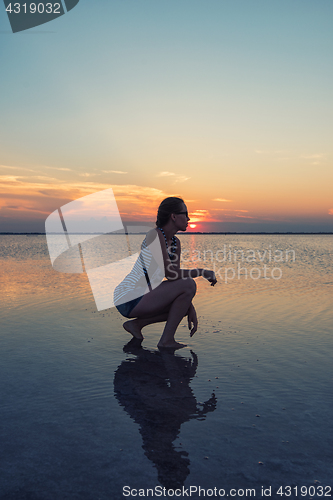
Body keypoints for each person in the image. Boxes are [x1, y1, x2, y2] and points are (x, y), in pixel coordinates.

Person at [114, 197, 217, 348]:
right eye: (185, 213)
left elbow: (174, 277)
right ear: (173, 216)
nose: (189, 218)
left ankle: (136, 325)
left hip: (143, 295)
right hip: (128, 297)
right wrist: (201, 272)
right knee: (189, 284)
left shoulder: (175, 243)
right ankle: (166, 341)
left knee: (182, 302)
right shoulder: (154, 235)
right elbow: (170, 274)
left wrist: (189, 306)